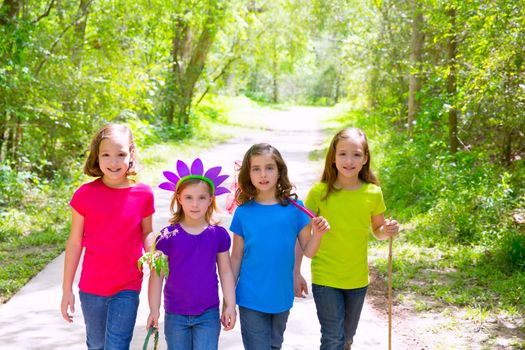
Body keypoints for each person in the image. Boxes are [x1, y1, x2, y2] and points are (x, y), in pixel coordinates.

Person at [294, 127, 399, 350]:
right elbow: (300, 236)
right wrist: (296, 272)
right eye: (342, 154)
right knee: (333, 338)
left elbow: (377, 229)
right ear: (333, 157)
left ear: (365, 159)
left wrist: (386, 230)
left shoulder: (372, 193)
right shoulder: (319, 192)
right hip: (326, 278)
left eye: (356, 154)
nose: (349, 160)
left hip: (357, 279)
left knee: (347, 338)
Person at [60, 124, 155, 349]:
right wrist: (66, 290)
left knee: (117, 345)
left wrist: (154, 254)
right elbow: (74, 243)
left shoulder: (143, 194)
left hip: (128, 285)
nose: (113, 162)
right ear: (97, 157)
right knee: (97, 344)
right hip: (92, 287)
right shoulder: (84, 195)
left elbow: (147, 232)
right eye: (106, 155)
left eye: (120, 154)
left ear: (131, 154)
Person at [230, 143, 330, 350]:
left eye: (269, 167)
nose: (263, 174)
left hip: (281, 296)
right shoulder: (243, 212)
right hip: (250, 295)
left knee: (275, 346)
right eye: (256, 168)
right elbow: (236, 256)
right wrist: (229, 297)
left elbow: (309, 251)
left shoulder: (295, 209)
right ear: (248, 173)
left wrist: (318, 234)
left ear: (279, 171)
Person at [146, 158, 236, 350]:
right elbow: (157, 275)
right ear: (179, 198)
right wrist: (154, 309)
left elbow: (226, 271)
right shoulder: (167, 236)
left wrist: (230, 304)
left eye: (202, 197)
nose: (195, 204)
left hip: (208, 314)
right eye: (188, 197)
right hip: (176, 315)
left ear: (211, 199)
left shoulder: (218, 234)